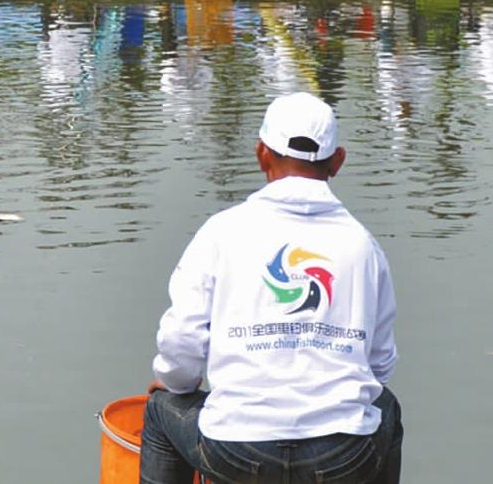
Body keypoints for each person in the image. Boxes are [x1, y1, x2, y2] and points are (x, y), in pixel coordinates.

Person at [140, 92, 400, 484]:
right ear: (338, 161)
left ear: (261, 153)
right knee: (386, 408)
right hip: (341, 457)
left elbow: (181, 342)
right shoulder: (363, 245)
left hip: (236, 450)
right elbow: (379, 366)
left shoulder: (221, 232)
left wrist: (176, 384)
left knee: (161, 410)